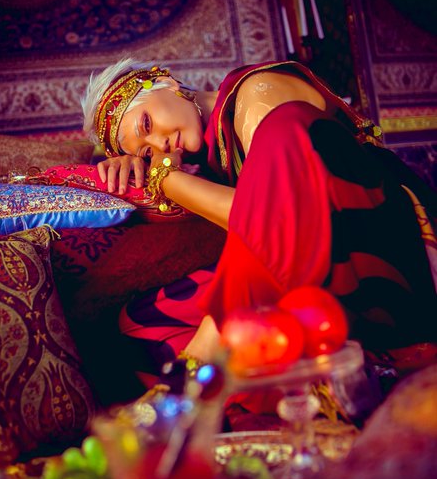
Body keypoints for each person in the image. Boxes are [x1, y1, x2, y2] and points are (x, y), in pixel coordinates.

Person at [81, 58, 437, 399]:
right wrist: (134, 168)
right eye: (147, 153)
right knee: (141, 325)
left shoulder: (256, 93)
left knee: (283, 128)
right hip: (306, 261)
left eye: (146, 124)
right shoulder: (207, 157)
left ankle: (200, 364)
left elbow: (271, 215)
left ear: (167, 83)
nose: (158, 145)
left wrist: (165, 178)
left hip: (378, 237)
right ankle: (283, 387)